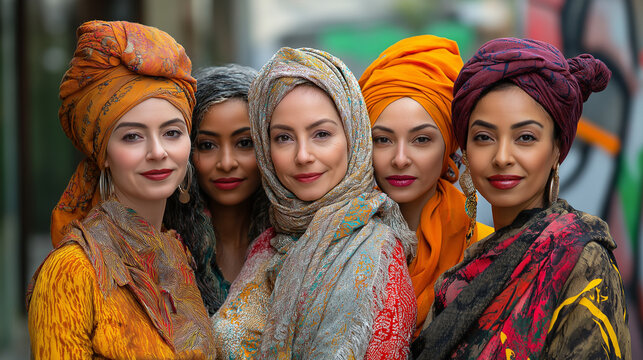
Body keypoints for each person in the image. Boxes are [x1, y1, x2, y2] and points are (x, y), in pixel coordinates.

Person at [411, 37, 631, 359]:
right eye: (484, 137)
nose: (502, 157)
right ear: (466, 151)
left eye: (525, 138)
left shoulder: (580, 262)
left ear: (557, 148)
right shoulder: (462, 270)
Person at [211, 47, 417, 359]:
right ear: (265, 149)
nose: (303, 156)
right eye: (283, 138)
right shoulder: (266, 245)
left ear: (353, 136)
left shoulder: (378, 254)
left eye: (321, 134)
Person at [27, 20, 216, 359]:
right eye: (132, 136)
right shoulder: (72, 271)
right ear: (105, 156)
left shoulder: (177, 252)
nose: (157, 152)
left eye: (172, 133)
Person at [359, 35, 494, 337]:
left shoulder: (484, 250)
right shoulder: (338, 245)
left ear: (448, 146)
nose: (400, 158)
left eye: (421, 139)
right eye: (382, 139)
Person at [185, 64, 270, 313]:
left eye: (244, 143)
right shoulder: (169, 250)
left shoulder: (293, 246)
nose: (226, 163)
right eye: (207, 145)